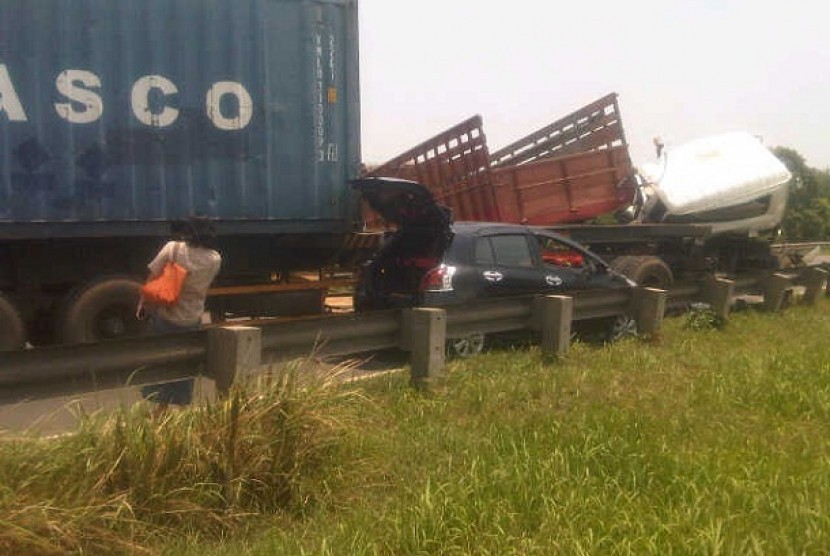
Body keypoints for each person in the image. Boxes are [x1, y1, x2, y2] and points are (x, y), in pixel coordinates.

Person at [138, 216, 222, 410]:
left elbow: (153, 275)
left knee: (161, 363)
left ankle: (161, 410)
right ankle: (183, 411)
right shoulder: (215, 259)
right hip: (192, 319)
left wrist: (143, 303)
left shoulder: (173, 248)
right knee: (185, 366)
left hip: (166, 316)